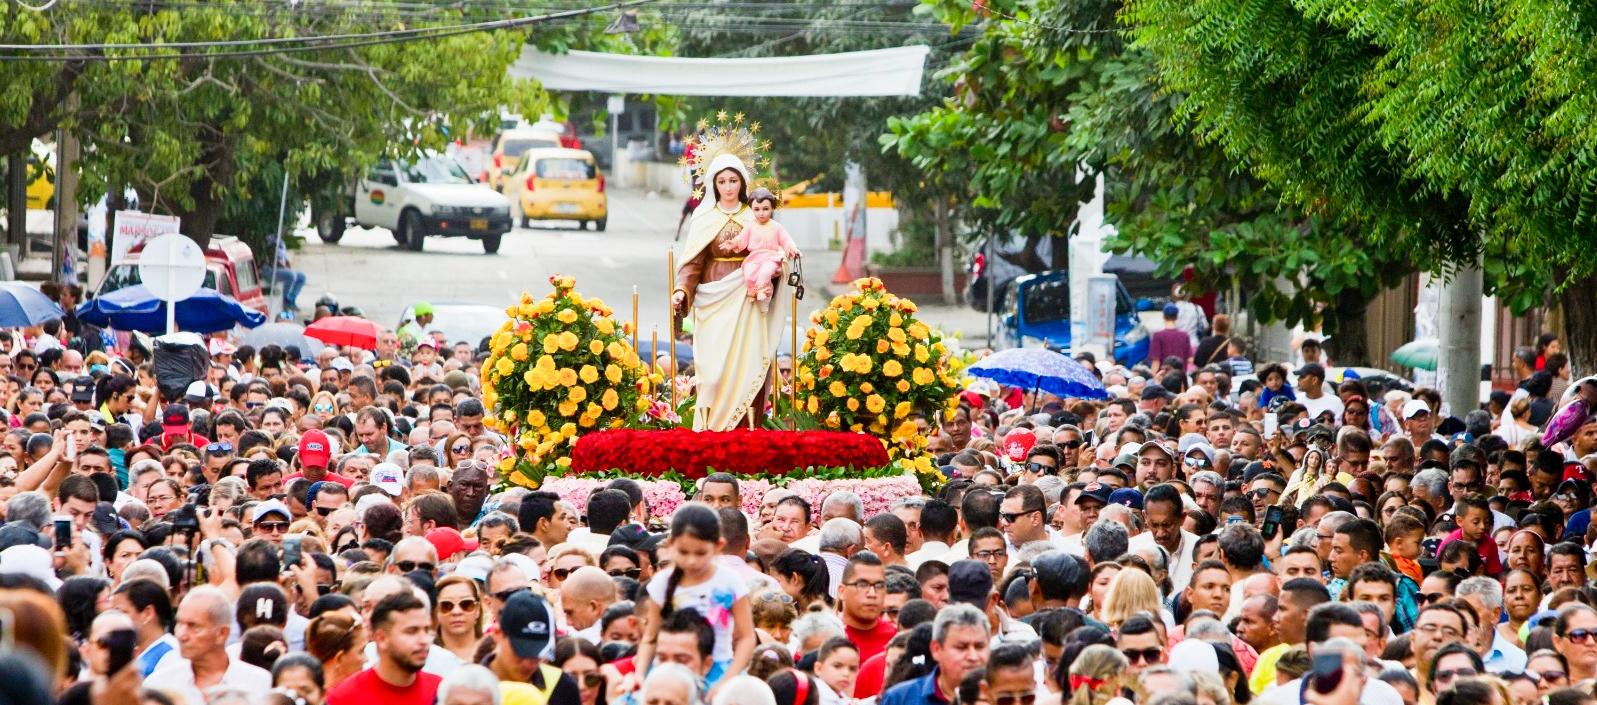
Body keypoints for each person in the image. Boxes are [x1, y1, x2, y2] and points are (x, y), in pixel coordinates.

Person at [672, 141, 791, 431]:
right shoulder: (704, 217)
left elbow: (771, 249)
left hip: (747, 296)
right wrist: (681, 290)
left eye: (733, 180)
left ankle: (744, 431)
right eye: (722, 181)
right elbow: (692, 263)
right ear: (713, 184)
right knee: (712, 373)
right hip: (713, 298)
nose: (728, 187)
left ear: (743, 183)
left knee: (749, 365)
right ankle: (710, 428)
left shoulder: (755, 215)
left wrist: (777, 268)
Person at [636, 503, 754, 688]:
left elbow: (747, 637)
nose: (691, 561)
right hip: (670, 673)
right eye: (683, 552)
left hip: (719, 671)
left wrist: (726, 680)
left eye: (700, 553)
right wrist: (640, 676)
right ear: (671, 544)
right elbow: (650, 638)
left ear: (718, 546)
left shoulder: (730, 581)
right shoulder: (662, 583)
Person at [149, 587, 274, 705]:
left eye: (193, 626)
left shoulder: (258, 683)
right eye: (179, 623)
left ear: (222, 633)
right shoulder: (160, 684)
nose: (182, 635)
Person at [325, 591, 443, 705]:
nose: (424, 640)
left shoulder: (442, 691)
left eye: (427, 630)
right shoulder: (344, 698)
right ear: (381, 638)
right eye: (411, 632)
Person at [729, 187, 800, 303]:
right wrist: (734, 243)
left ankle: (764, 290)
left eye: (765, 209)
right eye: (757, 209)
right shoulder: (750, 226)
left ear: (772, 208)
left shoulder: (776, 227)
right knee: (748, 273)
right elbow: (742, 238)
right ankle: (752, 291)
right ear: (751, 209)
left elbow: (786, 240)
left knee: (765, 272)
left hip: (771, 258)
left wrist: (792, 248)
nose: (761, 213)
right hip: (754, 257)